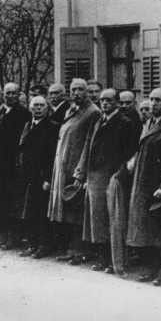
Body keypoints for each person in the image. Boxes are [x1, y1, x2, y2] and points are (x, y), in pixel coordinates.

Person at [73, 88, 138, 272]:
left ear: (117, 102)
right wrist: (82, 173)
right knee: (97, 220)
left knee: (113, 219)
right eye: (102, 100)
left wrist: (119, 174)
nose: (104, 103)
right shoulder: (98, 121)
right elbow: (88, 146)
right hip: (95, 177)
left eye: (109, 100)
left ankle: (114, 260)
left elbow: (130, 152)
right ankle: (102, 257)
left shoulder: (125, 123)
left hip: (112, 177)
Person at [127, 88, 161, 285]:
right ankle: (151, 268)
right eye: (151, 99)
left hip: (159, 186)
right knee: (146, 228)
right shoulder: (149, 122)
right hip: (143, 182)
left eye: (158, 100)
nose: (153, 103)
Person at [48, 78, 100, 265]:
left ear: (86, 91)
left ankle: (80, 251)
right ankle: (70, 249)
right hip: (63, 165)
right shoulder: (71, 110)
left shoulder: (93, 112)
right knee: (66, 210)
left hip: (77, 168)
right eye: (73, 89)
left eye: (80, 89)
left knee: (77, 211)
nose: (76, 93)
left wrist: (81, 172)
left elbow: (90, 144)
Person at [0, 82, 29, 249]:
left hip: (11, 165)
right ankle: (1, 235)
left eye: (13, 93)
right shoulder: (1, 112)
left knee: (11, 202)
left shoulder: (23, 114)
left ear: (19, 95)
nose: (9, 96)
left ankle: (13, 237)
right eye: (7, 93)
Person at [13, 96, 59, 258]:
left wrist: (47, 178)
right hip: (26, 175)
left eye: (41, 105)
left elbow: (53, 155)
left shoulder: (52, 127)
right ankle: (32, 244)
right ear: (30, 108)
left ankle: (44, 245)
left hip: (41, 176)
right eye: (35, 105)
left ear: (47, 108)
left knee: (41, 212)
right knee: (29, 211)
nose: (38, 108)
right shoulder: (27, 125)